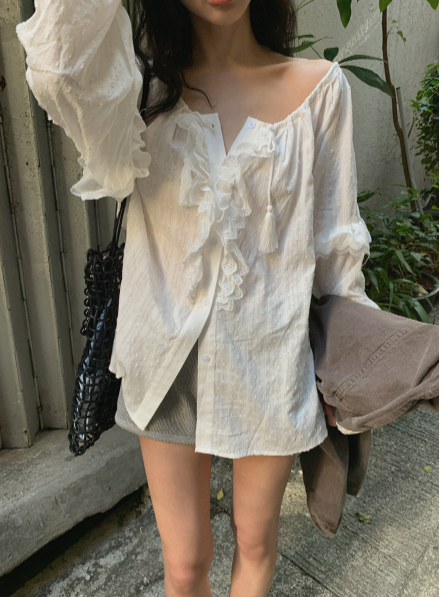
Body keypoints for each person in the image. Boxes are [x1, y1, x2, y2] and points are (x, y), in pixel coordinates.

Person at [16, 0, 379, 595]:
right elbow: (57, 66)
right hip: (165, 363)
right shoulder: (137, 94)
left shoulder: (320, 89)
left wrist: (352, 370)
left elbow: (336, 244)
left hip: (270, 358)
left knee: (255, 542)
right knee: (184, 563)